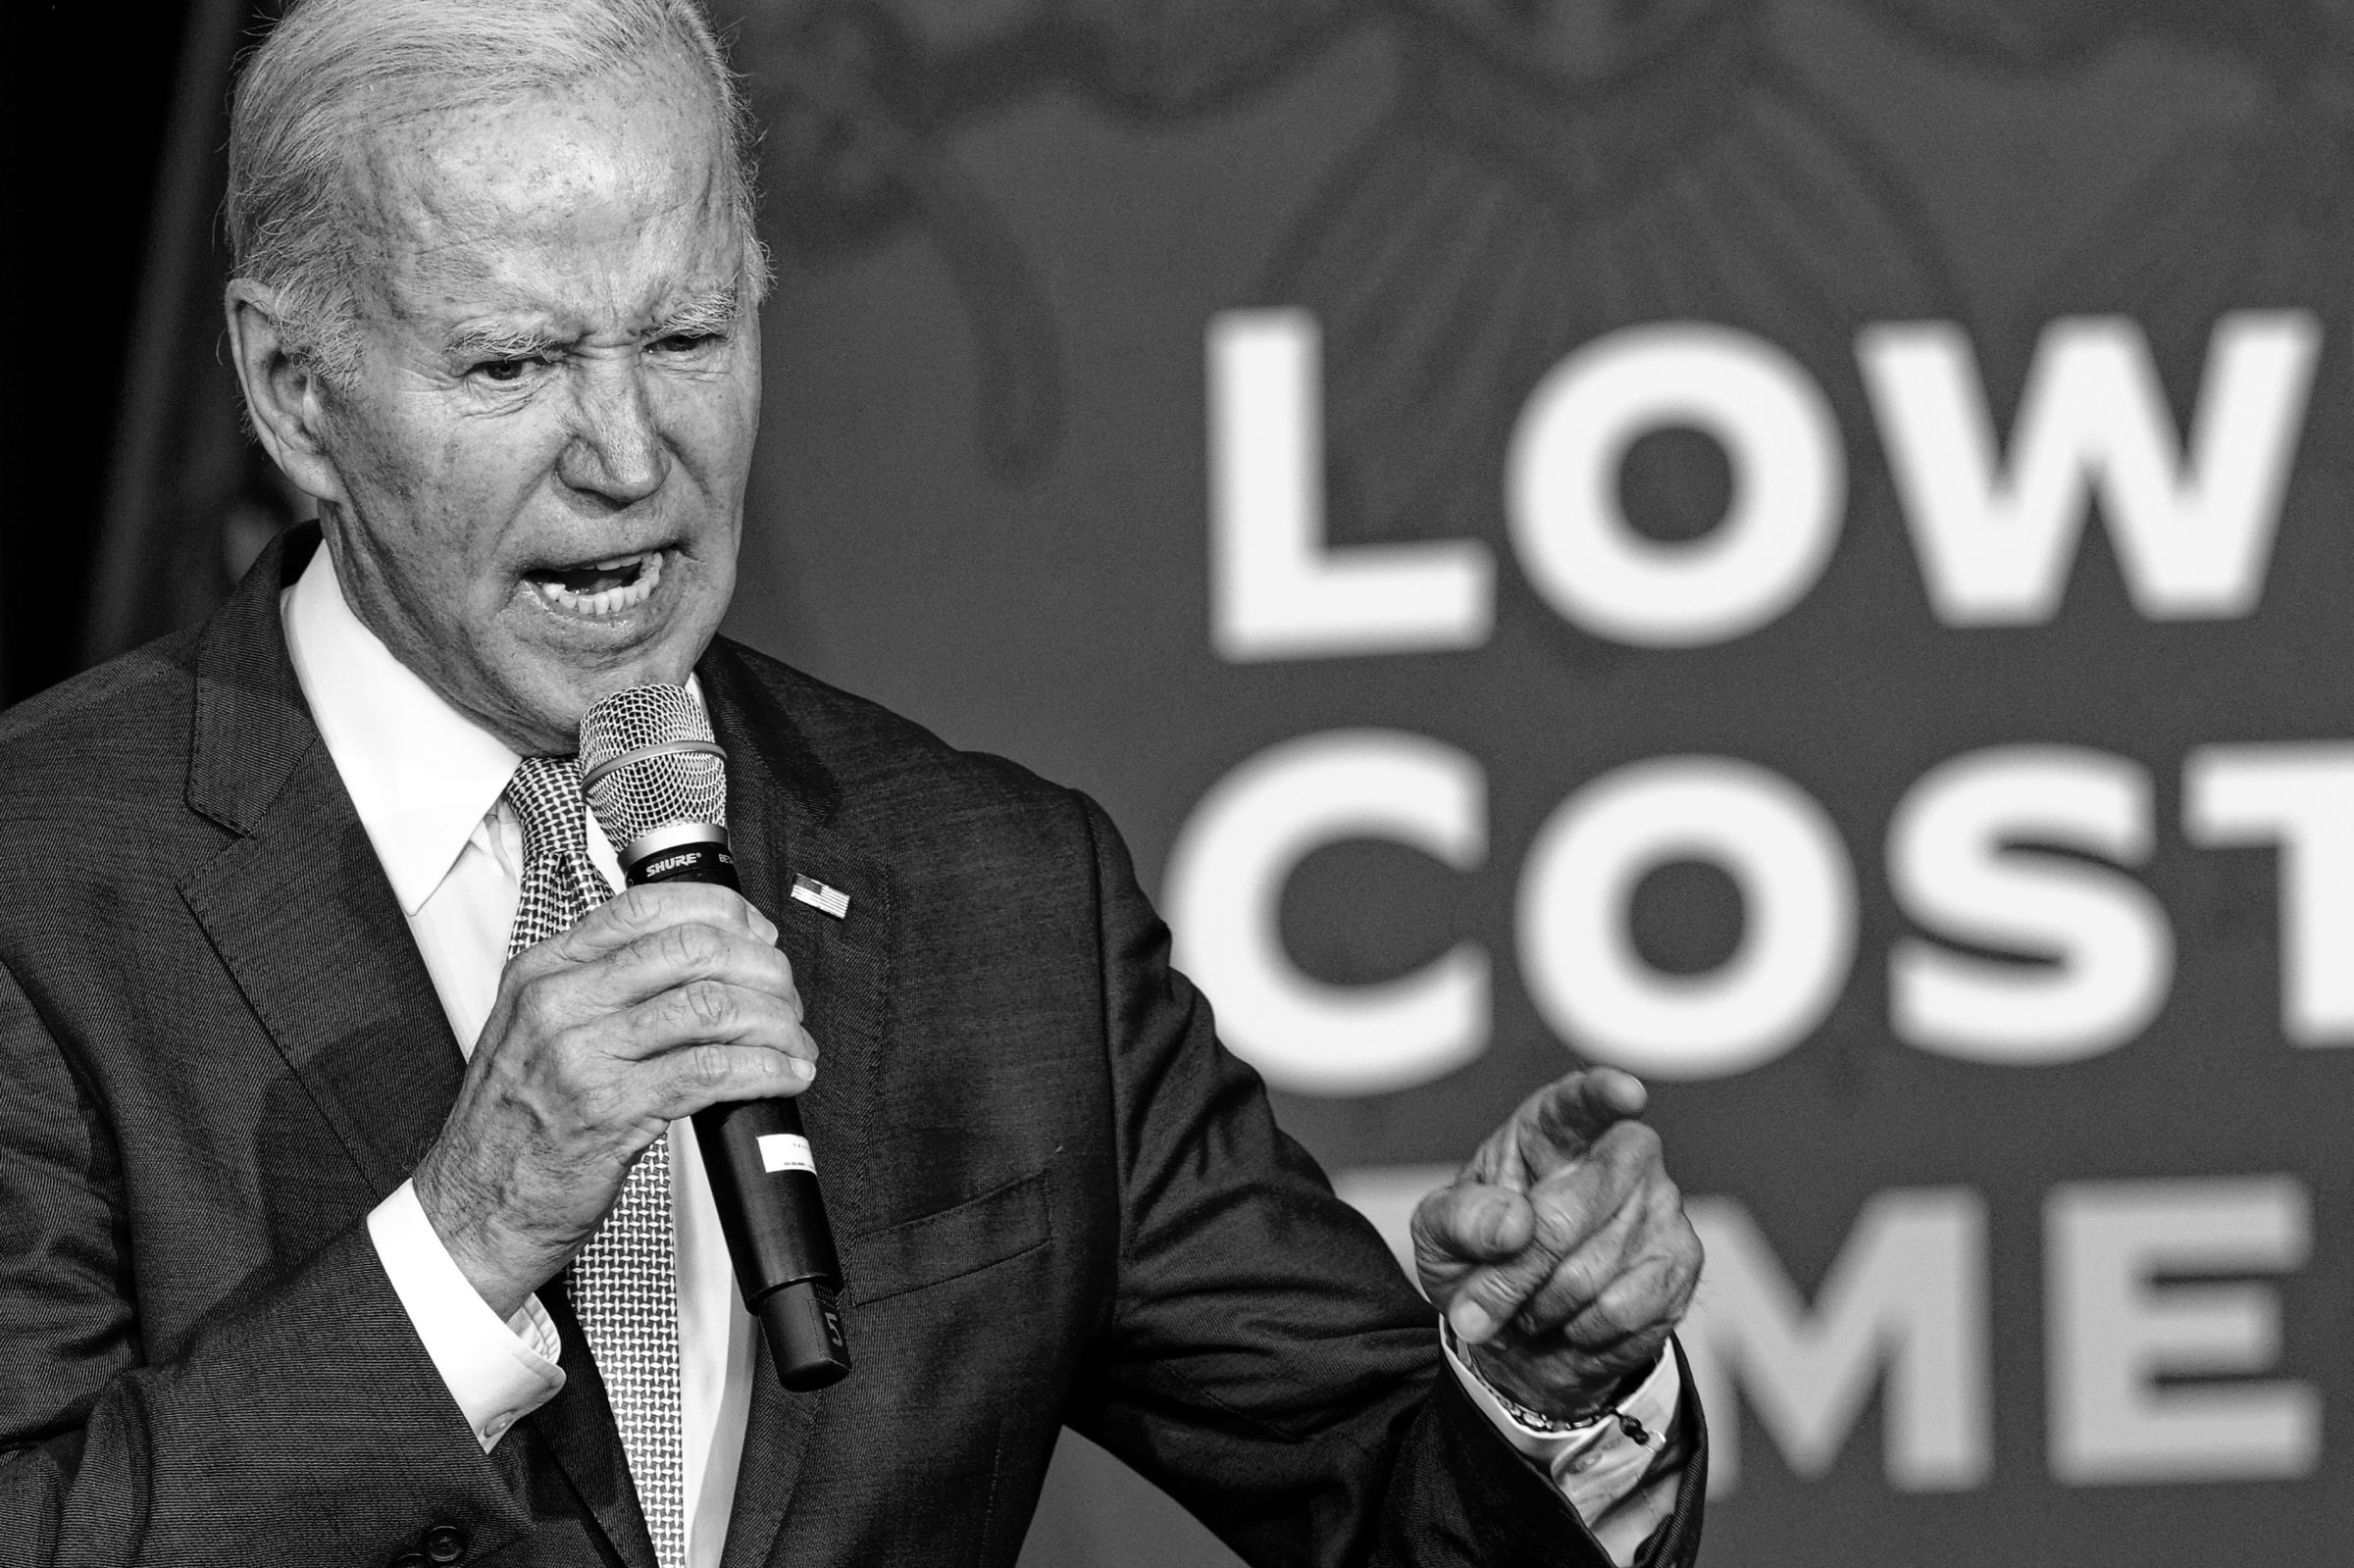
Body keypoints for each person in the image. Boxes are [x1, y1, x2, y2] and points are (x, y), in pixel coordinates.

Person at [0, 3, 1706, 1565]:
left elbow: (1394, 1502)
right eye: (513, 365)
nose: (624, 455)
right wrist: (460, 1243)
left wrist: (1541, 1390)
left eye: (682, 337)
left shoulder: (995, 894)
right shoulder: (43, 879)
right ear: (296, 394)